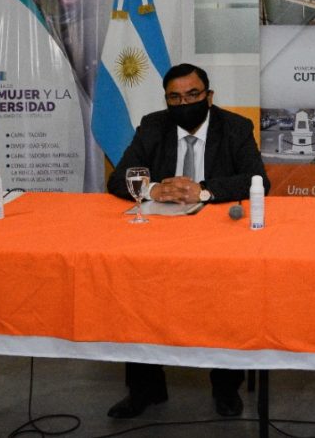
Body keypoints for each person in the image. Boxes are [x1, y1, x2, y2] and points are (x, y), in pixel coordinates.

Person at [106, 63, 270, 419]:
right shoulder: (153, 126)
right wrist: (154, 189)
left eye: (192, 95)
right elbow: (119, 178)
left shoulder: (235, 127)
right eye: (175, 98)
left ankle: (226, 387)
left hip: (217, 237)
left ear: (208, 97)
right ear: (166, 101)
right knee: (139, 294)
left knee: (226, 299)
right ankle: (145, 389)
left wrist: (204, 190)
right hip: (159, 236)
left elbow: (258, 180)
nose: (184, 103)